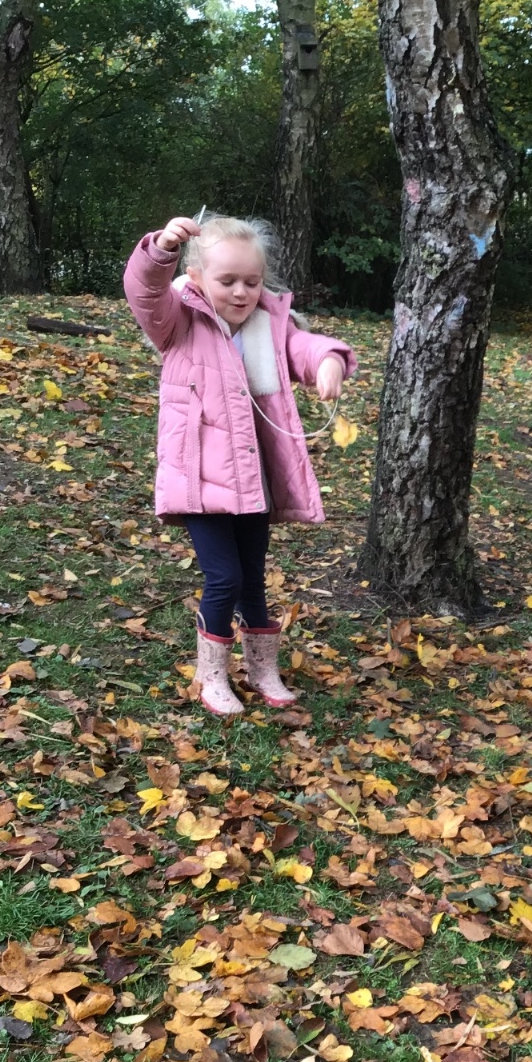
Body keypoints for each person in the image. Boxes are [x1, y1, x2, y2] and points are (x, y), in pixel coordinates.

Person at [124, 214, 357, 717]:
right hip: (200, 482)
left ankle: (262, 668)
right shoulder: (178, 322)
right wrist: (161, 249)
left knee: (252, 576)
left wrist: (328, 360)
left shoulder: (267, 325)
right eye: (227, 280)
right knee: (224, 577)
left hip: (253, 479)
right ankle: (211, 674)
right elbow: (144, 292)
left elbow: (301, 346)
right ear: (197, 277)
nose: (240, 292)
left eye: (251, 281)